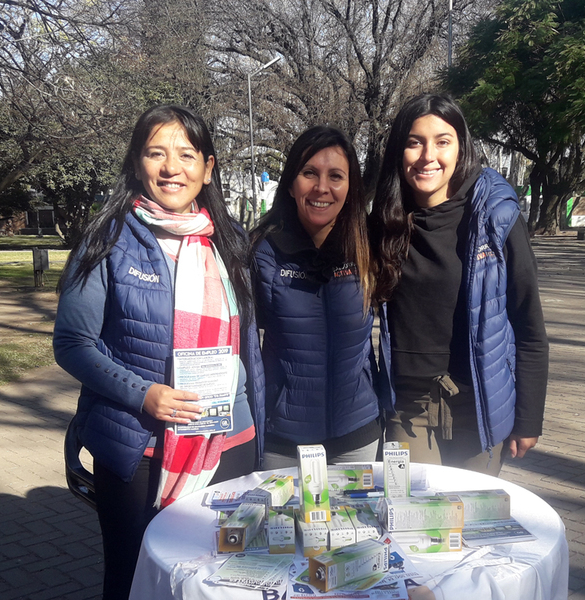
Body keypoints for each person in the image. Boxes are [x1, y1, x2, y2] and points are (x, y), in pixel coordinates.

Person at [54, 105, 264, 600]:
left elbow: (247, 344)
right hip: (140, 449)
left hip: (228, 442)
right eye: (157, 153)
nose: (172, 168)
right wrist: (143, 393)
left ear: (208, 167)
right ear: (137, 162)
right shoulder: (107, 239)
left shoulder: (229, 240)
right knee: (136, 579)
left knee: (224, 576)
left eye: (186, 155)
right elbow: (72, 343)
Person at [369, 94, 548, 476]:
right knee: (415, 521)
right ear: (399, 151)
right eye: (415, 142)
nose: (427, 156)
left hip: (477, 402)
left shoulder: (494, 218)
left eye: (442, 141)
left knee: (469, 525)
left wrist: (528, 417)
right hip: (408, 407)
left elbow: (528, 324)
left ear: (460, 147)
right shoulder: (382, 224)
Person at [250, 125, 390, 469]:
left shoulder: (368, 246)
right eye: (309, 173)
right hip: (283, 443)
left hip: (358, 438)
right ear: (291, 183)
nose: (321, 188)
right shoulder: (261, 251)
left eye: (336, 176)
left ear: (351, 186)